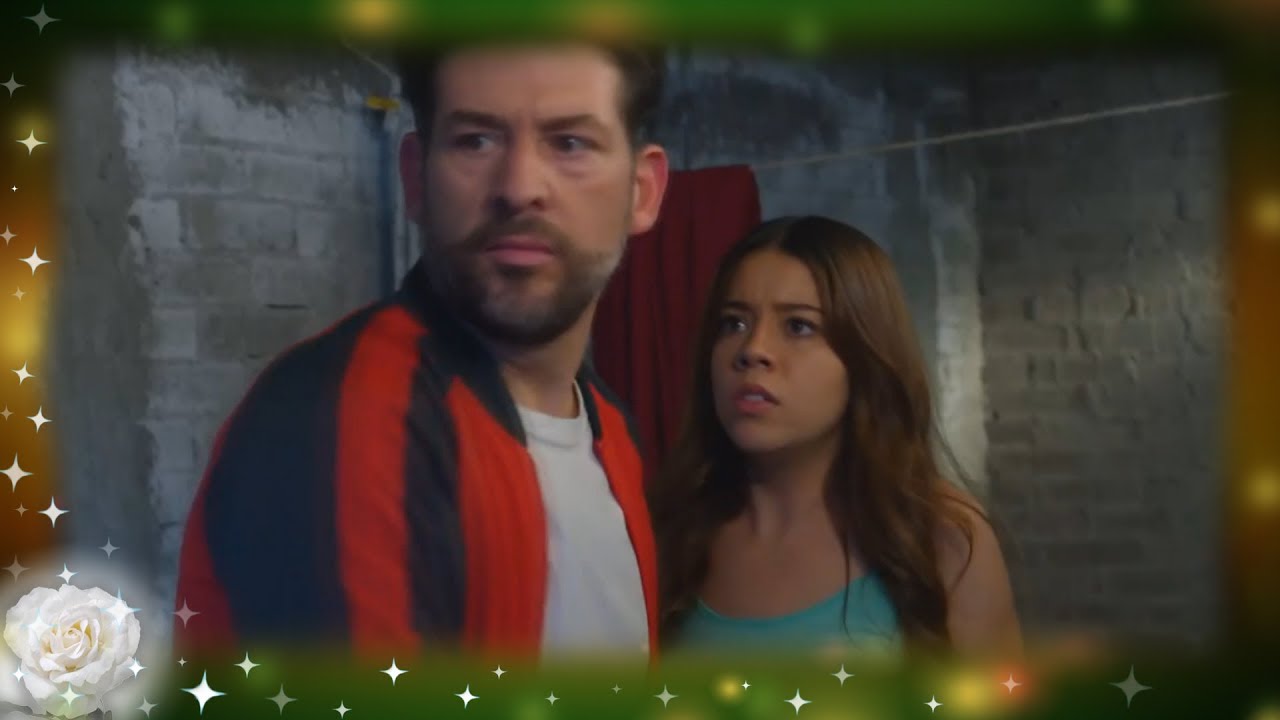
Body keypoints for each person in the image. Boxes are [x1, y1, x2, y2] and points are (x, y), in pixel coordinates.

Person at [173, 41, 671, 661]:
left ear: (642, 192)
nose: (519, 187)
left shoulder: (613, 429)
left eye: (570, 143)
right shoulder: (342, 416)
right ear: (415, 177)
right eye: (475, 141)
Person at [652, 216, 1021, 659]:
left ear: (864, 355)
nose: (753, 350)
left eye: (798, 326)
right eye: (733, 323)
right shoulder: (668, 529)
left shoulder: (943, 538)